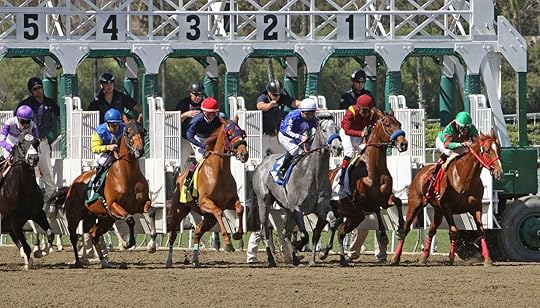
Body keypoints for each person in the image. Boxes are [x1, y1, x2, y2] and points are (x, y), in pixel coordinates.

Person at [15, 77, 60, 198]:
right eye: (35, 89)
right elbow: (17, 120)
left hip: (43, 142)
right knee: (28, 173)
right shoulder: (25, 104)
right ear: (31, 91)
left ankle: (51, 202)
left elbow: (61, 116)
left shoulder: (50, 103)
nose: (38, 90)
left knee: (48, 173)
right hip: (28, 144)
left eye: (40, 87)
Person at [425, 111, 479, 199]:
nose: (465, 131)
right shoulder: (450, 128)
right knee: (448, 152)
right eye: (463, 128)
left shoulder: (471, 127)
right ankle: (435, 175)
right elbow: (447, 145)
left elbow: (477, 140)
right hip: (443, 143)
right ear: (457, 125)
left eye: (467, 128)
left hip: (459, 143)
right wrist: (462, 144)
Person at [337, 94, 378, 185]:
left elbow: (373, 125)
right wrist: (361, 133)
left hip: (358, 135)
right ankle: (342, 176)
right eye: (363, 111)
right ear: (358, 108)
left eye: (367, 111)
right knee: (350, 152)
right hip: (346, 134)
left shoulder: (371, 114)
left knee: (365, 151)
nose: (365, 114)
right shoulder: (351, 111)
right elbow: (347, 130)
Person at [183, 97, 223, 189]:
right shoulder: (197, 120)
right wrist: (202, 145)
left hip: (211, 138)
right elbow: (190, 136)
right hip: (198, 139)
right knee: (200, 158)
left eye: (214, 114)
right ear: (204, 112)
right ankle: (189, 179)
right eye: (209, 114)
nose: (212, 117)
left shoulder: (218, 119)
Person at [276, 98, 318, 180]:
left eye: (312, 114)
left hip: (299, 136)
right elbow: (285, 131)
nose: (309, 117)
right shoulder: (293, 115)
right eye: (306, 114)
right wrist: (300, 137)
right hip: (285, 136)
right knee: (295, 150)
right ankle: (282, 170)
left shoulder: (313, 118)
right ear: (301, 111)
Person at [256, 80, 301, 155]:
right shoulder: (263, 97)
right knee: (263, 158)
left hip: (277, 136)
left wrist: (308, 105)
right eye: (274, 95)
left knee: (280, 155)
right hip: (264, 136)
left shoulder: (281, 97)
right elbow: (260, 106)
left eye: (278, 95)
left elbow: (294, 103)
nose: (277, 97)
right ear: (269, 93)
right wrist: (270, 105)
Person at [90, 108, 125, 192]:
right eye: (113, 125)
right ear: (107, 124)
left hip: (120, 152)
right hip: (104, 153)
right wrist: (108, 147)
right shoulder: (100, 131)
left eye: (117, 124)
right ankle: (98, 182)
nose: (116, 127)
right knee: (103, 161)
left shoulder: (124, 128)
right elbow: (94, 148)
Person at [175, 82, 205, 164]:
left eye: (200, 95)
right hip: (185, 139)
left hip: (199, 139)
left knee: (202, 161)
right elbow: (175, 121)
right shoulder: (183, 103)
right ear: (190, 93)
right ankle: (178, 175)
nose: (198, 97)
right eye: (195, 95)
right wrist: (186, 114)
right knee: (178, 164)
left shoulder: (204, 104)